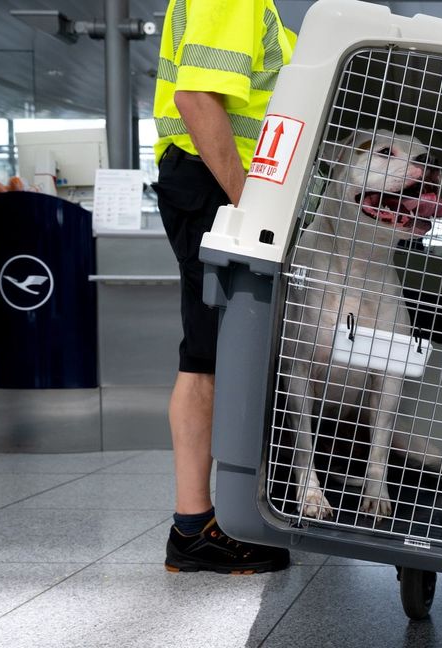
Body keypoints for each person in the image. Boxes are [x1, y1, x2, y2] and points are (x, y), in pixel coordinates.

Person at [152, 0, 296, 574]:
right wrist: (248, 207)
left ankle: (202, 524)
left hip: (212, 182)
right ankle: (194, 529)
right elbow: (196, 98)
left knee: (211, 353)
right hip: (215, 182)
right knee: (210, 357)